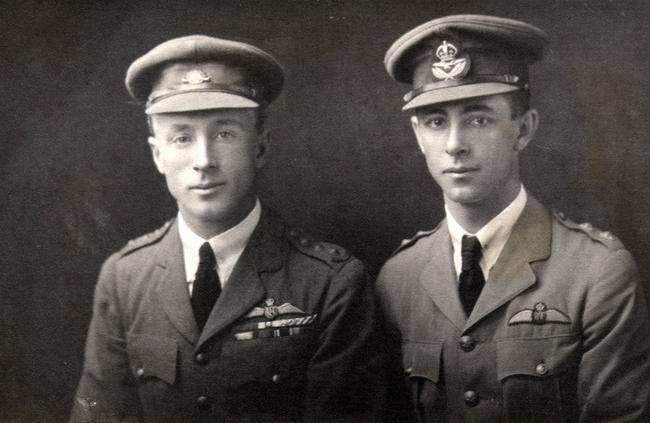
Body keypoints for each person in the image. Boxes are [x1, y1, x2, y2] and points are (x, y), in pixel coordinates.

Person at [70, 35, 381, 423]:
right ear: (157, 155)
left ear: (261, 147)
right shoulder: (124, 278)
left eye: (224, 134)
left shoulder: (329, 284)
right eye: (182, 137)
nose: (204, 161)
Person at [375, 14, 650, 423]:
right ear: (418, 135)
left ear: (523, 130)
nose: (454, 145)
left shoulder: (597, 274)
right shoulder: (398, 278)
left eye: (478, 119)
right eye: (436, 122)